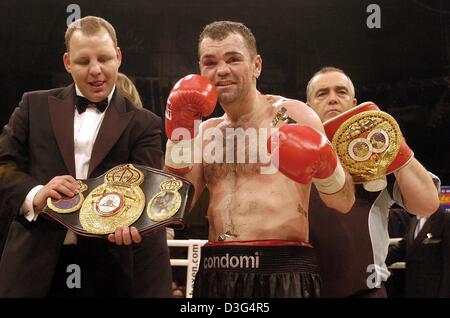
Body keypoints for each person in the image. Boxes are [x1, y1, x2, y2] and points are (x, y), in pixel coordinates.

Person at [163, 21, 356, 298]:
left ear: (256, 65)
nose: (222, 70)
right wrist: (179, 135)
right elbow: (173, 208)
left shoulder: (294, 116)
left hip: (282, 271)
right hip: (216, 271)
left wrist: (328, 167)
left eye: (233, 59)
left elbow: (343, 201)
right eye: (210, 62)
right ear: (201, 69)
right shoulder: (202, 133)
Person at [0, 16, 171, 297]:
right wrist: (36, 193)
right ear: (67, 62)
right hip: (34, 269)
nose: (95, 71)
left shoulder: (144, 124)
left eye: (104, 59)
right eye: (83, 61)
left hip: (109, 273)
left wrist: (133, 223)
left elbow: (147, 192)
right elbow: (3, 166)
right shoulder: (34, 106)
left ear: (118, 57)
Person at [306, 66, 441, 297]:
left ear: (354, 102)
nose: (332, 99)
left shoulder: (377, 153)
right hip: (301, 290)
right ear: (308, 107)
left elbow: (427, 204)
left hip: (365, 292)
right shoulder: (293, 151)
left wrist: (394, 144)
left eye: (341, 92)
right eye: (322, 93)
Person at [386, 207, 450, 297]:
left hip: (434, 291)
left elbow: (448, 261)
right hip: (412, 289)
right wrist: (376, 260)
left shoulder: (445, 218)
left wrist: (444, 294)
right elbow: (403, 248)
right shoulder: (414, 220)